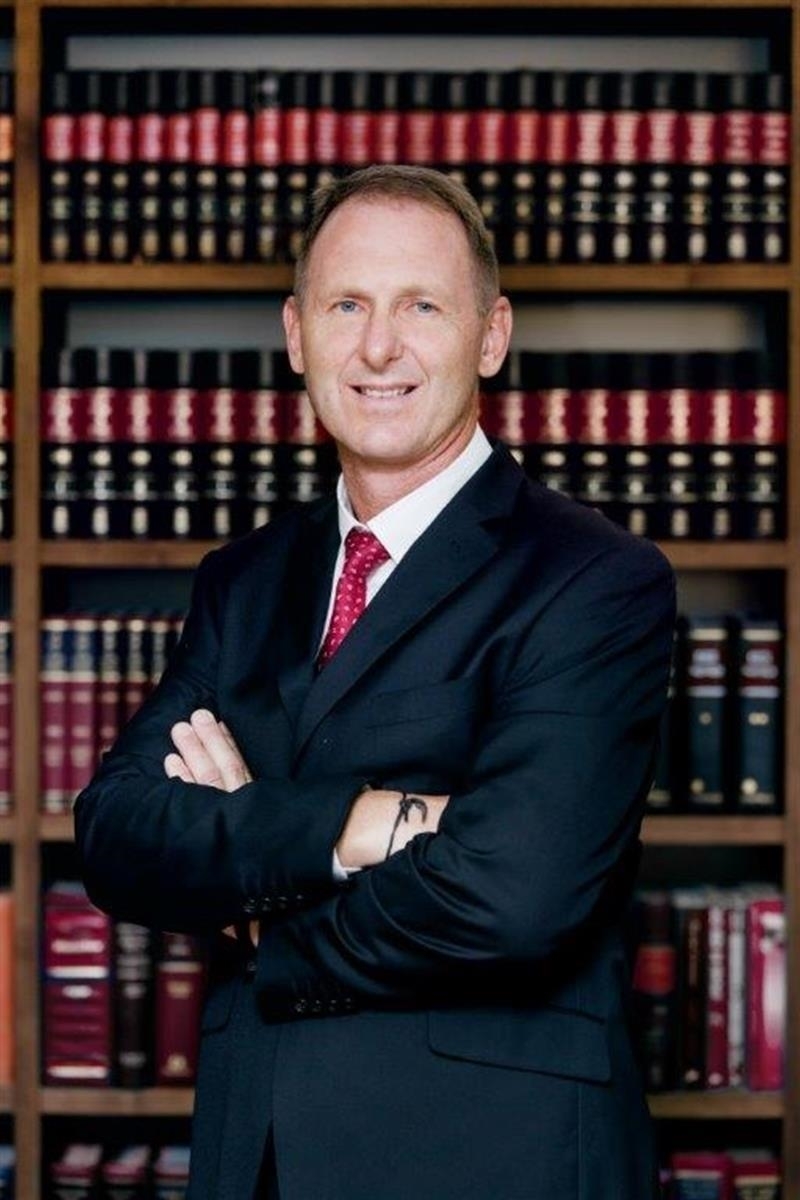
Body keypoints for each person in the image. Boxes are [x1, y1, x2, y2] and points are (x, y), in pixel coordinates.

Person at [74, 164, 676, 1200]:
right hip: (254, 1156)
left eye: (421, 307)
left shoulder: (594, 579)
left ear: (491, 335)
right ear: (296, 334)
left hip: (492, 1160)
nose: (379, 347)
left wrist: (263, 909)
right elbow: (117, 833)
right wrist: (363, 825)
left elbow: (514, 895)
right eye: (346, 305)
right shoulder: (242, 581)